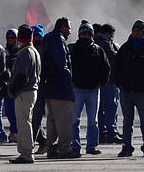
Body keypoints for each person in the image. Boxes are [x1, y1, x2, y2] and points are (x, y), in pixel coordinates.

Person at [115, 20, 144, 157]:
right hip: (126, 91)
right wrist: (119, 83)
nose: (136, 33)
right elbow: (116, 66)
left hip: (143, 92)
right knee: (127, 121)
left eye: (139, 31)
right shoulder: (125, 48)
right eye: (134, 30)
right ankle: (126, 147)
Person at [41, 17, 80, 159]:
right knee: (64, 119)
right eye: (69, 28)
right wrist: (69, 79)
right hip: (60, 87)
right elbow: (61, 63)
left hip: (49, 87)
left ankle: (51, 148)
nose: (70, 32)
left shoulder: (47, 39)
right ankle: (64, 149)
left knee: (52, 119)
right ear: (63, 27)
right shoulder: (58, 40)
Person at [69, 22, 110, 155]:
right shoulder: (73, 49)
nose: (86, 36)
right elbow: (67, 67)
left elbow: (106, 68)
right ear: (79, 34)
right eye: (83, 33)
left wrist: (101, 83)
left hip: (93, 90)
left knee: (93, 120)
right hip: (77, 89)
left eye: (88, 34)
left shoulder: (98, 50)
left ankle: (92, 146)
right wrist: (71, 82)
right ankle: (75, 145)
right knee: (75, 120)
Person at [8, 25, 41, 164]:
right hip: (32, 91)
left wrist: (13, 90)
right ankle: (26, 151)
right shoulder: (34, 51)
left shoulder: (24, 52)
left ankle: (26, 153)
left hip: (24, 92)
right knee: (26, 121)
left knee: (23, 124)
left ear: (19, 38)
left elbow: (22, 76)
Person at [95, 23, 122, 144]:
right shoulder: (106, 44)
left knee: (100, 109)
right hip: (109, 81)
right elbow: (115, 59)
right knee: (111, 107)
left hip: (98, 82)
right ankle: (112, 133)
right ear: (107, 33)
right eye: (112, 35)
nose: (112, 38)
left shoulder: (94, 42)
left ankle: (101, 133)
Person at [30, 24, 48, 155]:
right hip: (34, 87)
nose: (35, 38)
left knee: (37, 118)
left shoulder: (45, 49)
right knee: (34, 118)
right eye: (33, 35)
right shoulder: (29, 49)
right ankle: (43, 142)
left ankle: (30, 146)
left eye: (37, 35)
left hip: (44, 87)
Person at [3, 28, 19, 143]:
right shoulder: (4, 52)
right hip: (7, 86)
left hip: (18, 86)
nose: (10, 40)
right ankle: (14, 132)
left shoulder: (20, 51)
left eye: (13, 37)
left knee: (19, 111)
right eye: (8, 37)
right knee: (9, 111)